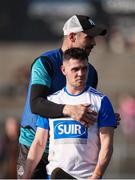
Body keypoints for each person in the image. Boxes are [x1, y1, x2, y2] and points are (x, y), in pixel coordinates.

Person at [17, 15, 120, 178]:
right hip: (34, 145)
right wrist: (69, 110)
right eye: (89, 37)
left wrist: (102, 118)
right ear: (71, 36)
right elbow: (36, 104)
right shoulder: (46, 63)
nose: (94, 42)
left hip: (67, 152)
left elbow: (83, 109)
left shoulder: (91, 72)